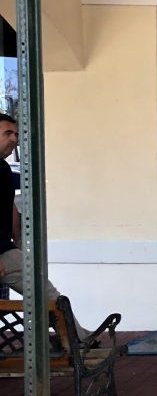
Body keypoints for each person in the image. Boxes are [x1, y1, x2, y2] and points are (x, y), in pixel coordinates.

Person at [0, 114, 93, 341]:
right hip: (1, 252)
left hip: (6, 248)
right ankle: (75, 338)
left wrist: (18, 241)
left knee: (42, 289)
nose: (14, 140)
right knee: (43, 291)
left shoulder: (2, 169)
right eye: (7, 134)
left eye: (16, 134)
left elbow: (10, 204)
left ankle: (74, 336)